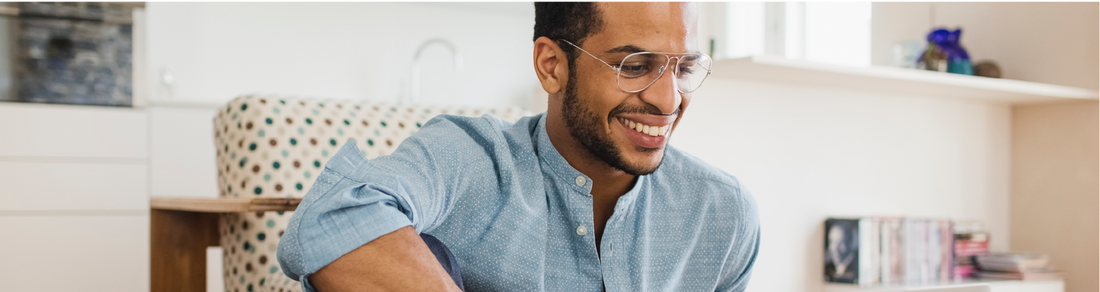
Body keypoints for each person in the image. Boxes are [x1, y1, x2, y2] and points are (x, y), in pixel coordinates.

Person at [277, 2, 760, 291]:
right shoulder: (468, 161)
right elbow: (333, 215)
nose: (667, 99)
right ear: (551, 65)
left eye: (683, 68)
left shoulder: (722, 216)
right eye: (634, 65)